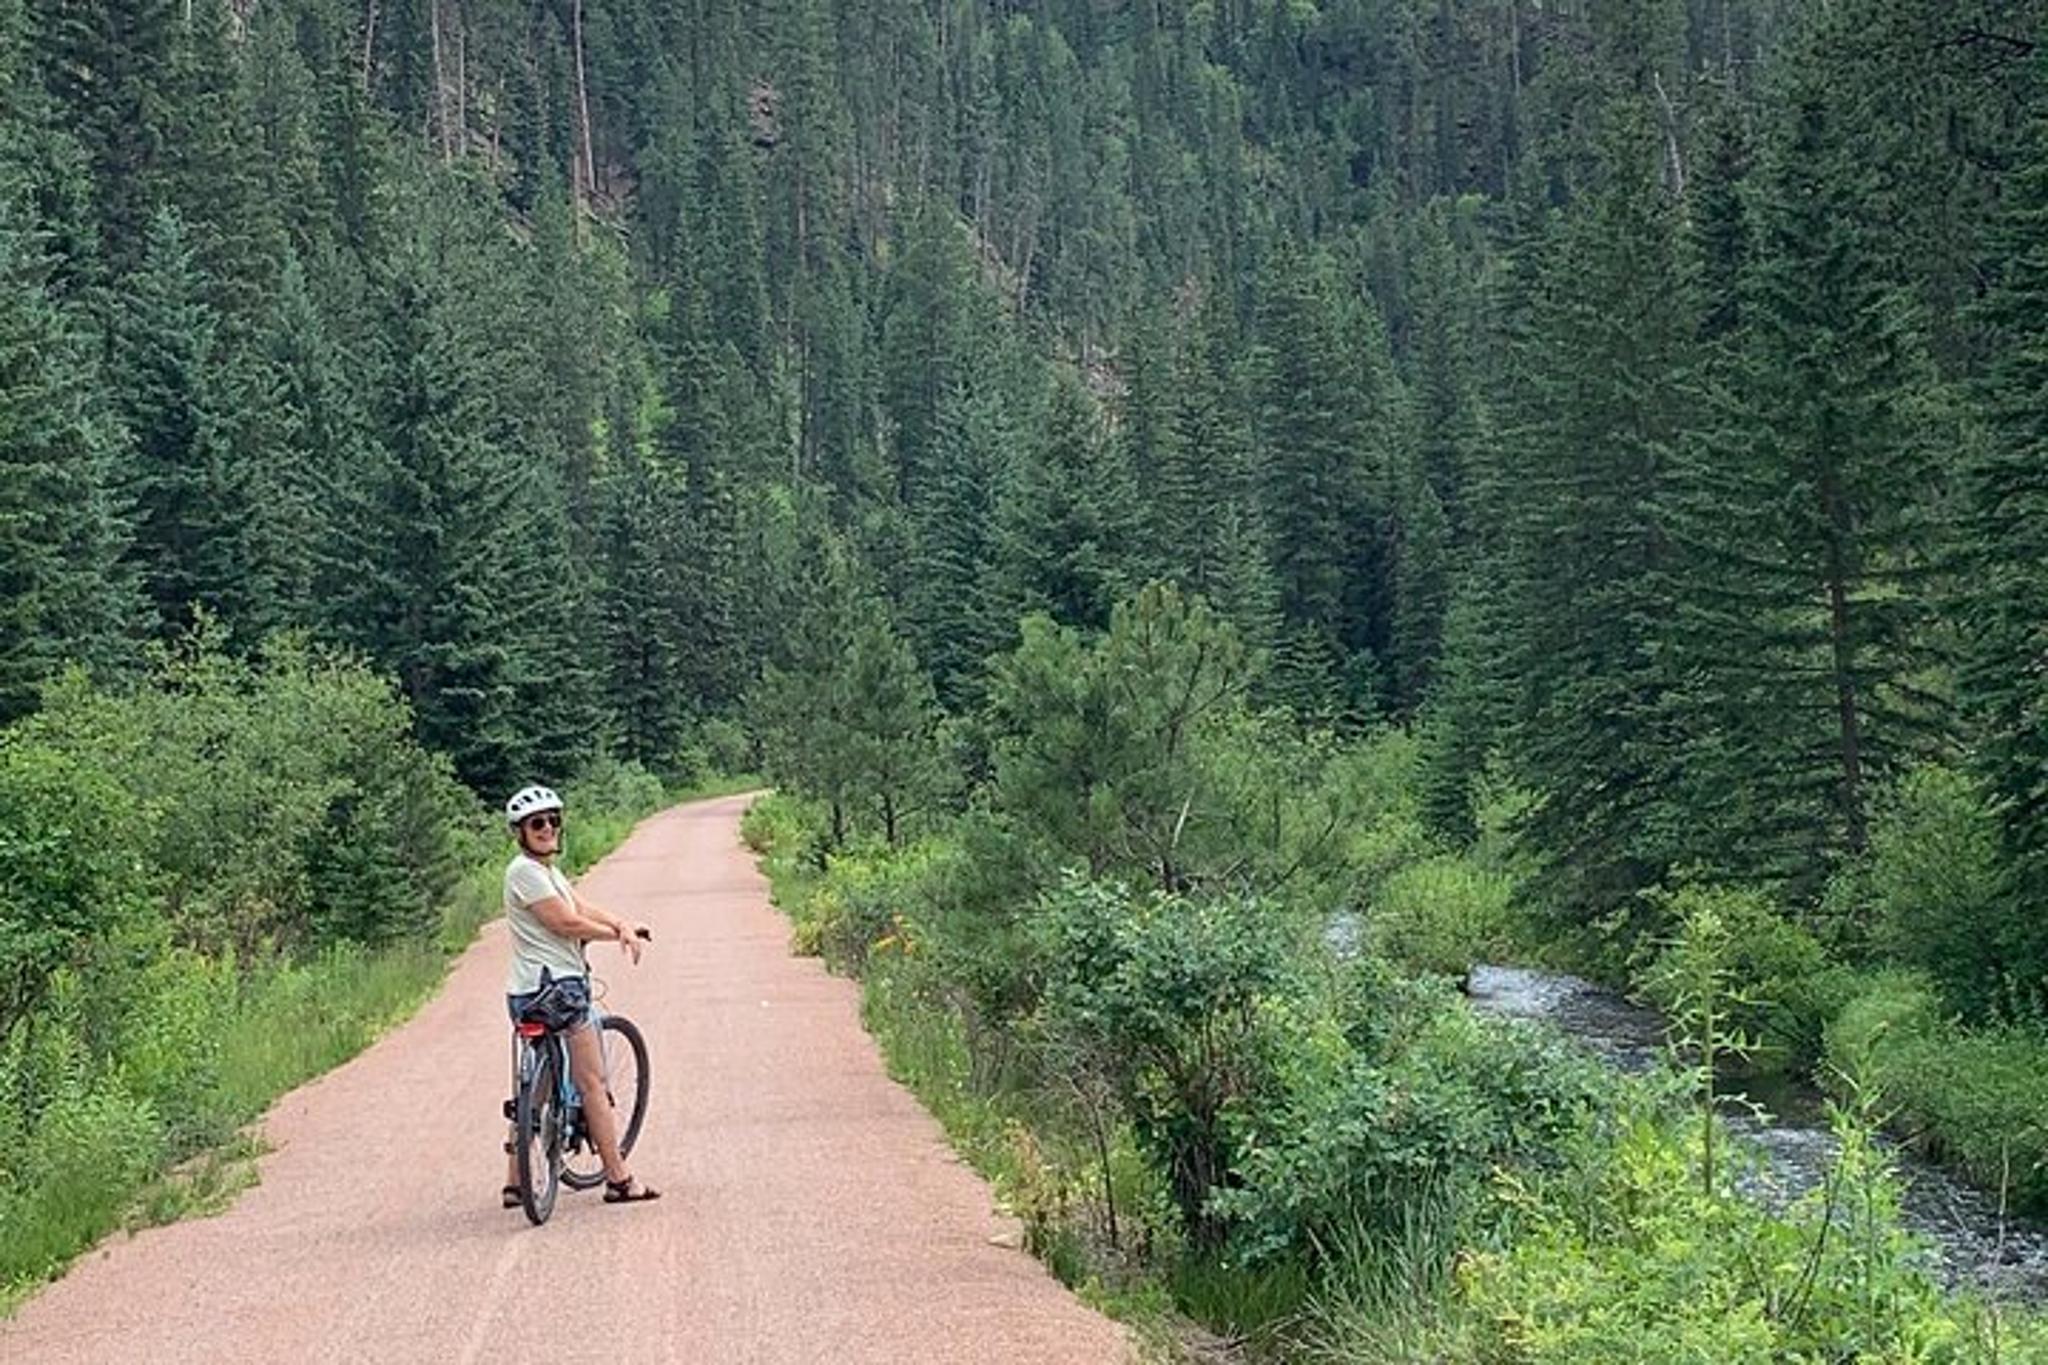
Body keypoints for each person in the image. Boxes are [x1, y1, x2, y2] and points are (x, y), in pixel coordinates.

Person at [500, 783, 660, 1206]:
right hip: (558, 988)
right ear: (520, 831)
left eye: (553, 821)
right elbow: (566, 924)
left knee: (535, 1082)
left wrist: (621, 924)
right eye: (537, 824)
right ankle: (620, 1179)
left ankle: (516, 1183)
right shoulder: (525, 872)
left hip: (525, 992)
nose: (547, 828)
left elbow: (581, 907)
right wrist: (613, 936)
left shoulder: (544, 873)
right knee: (592, 1082)